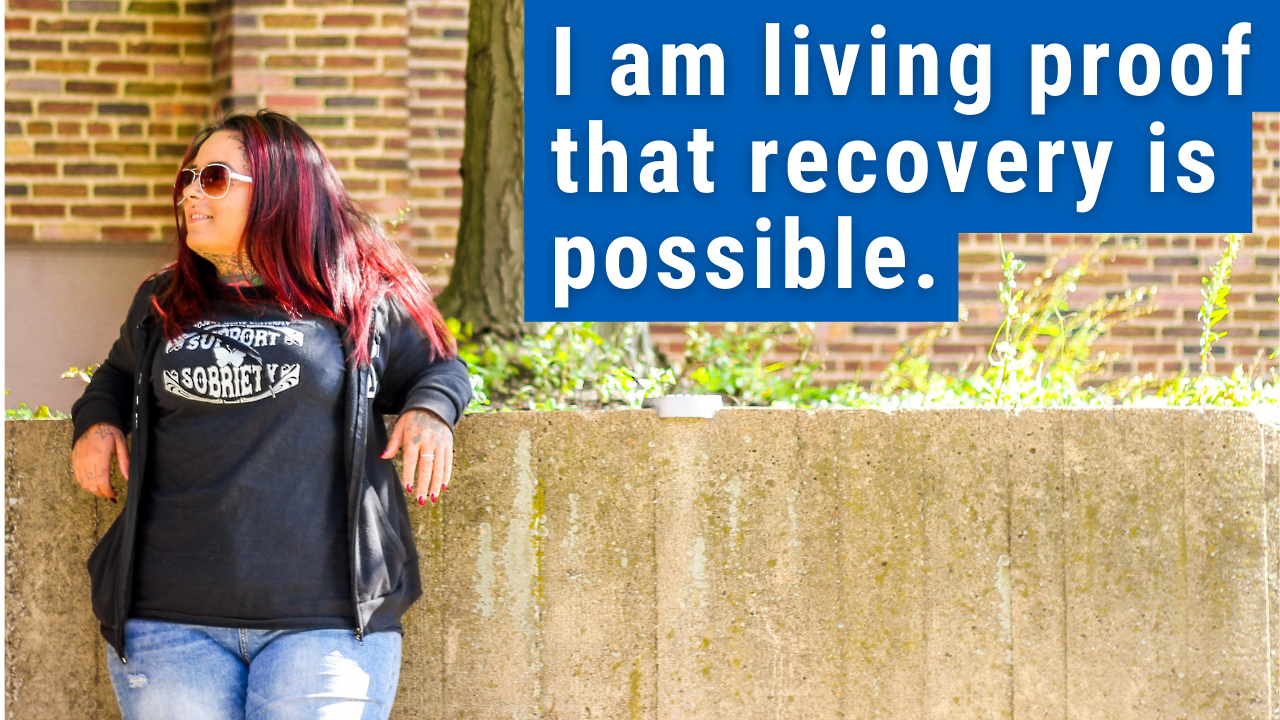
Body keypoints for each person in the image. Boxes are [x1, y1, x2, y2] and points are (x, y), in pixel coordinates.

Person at [69, 110, 472, 720]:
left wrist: (430, 412)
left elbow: (440, 368)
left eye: (214, 178)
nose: (189, 193)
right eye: (188, 177)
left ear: (283, 189)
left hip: (327, 623)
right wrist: (97, 422)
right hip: (168, 622)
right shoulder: (163, 299)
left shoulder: (356, 296)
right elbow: (118, 374)